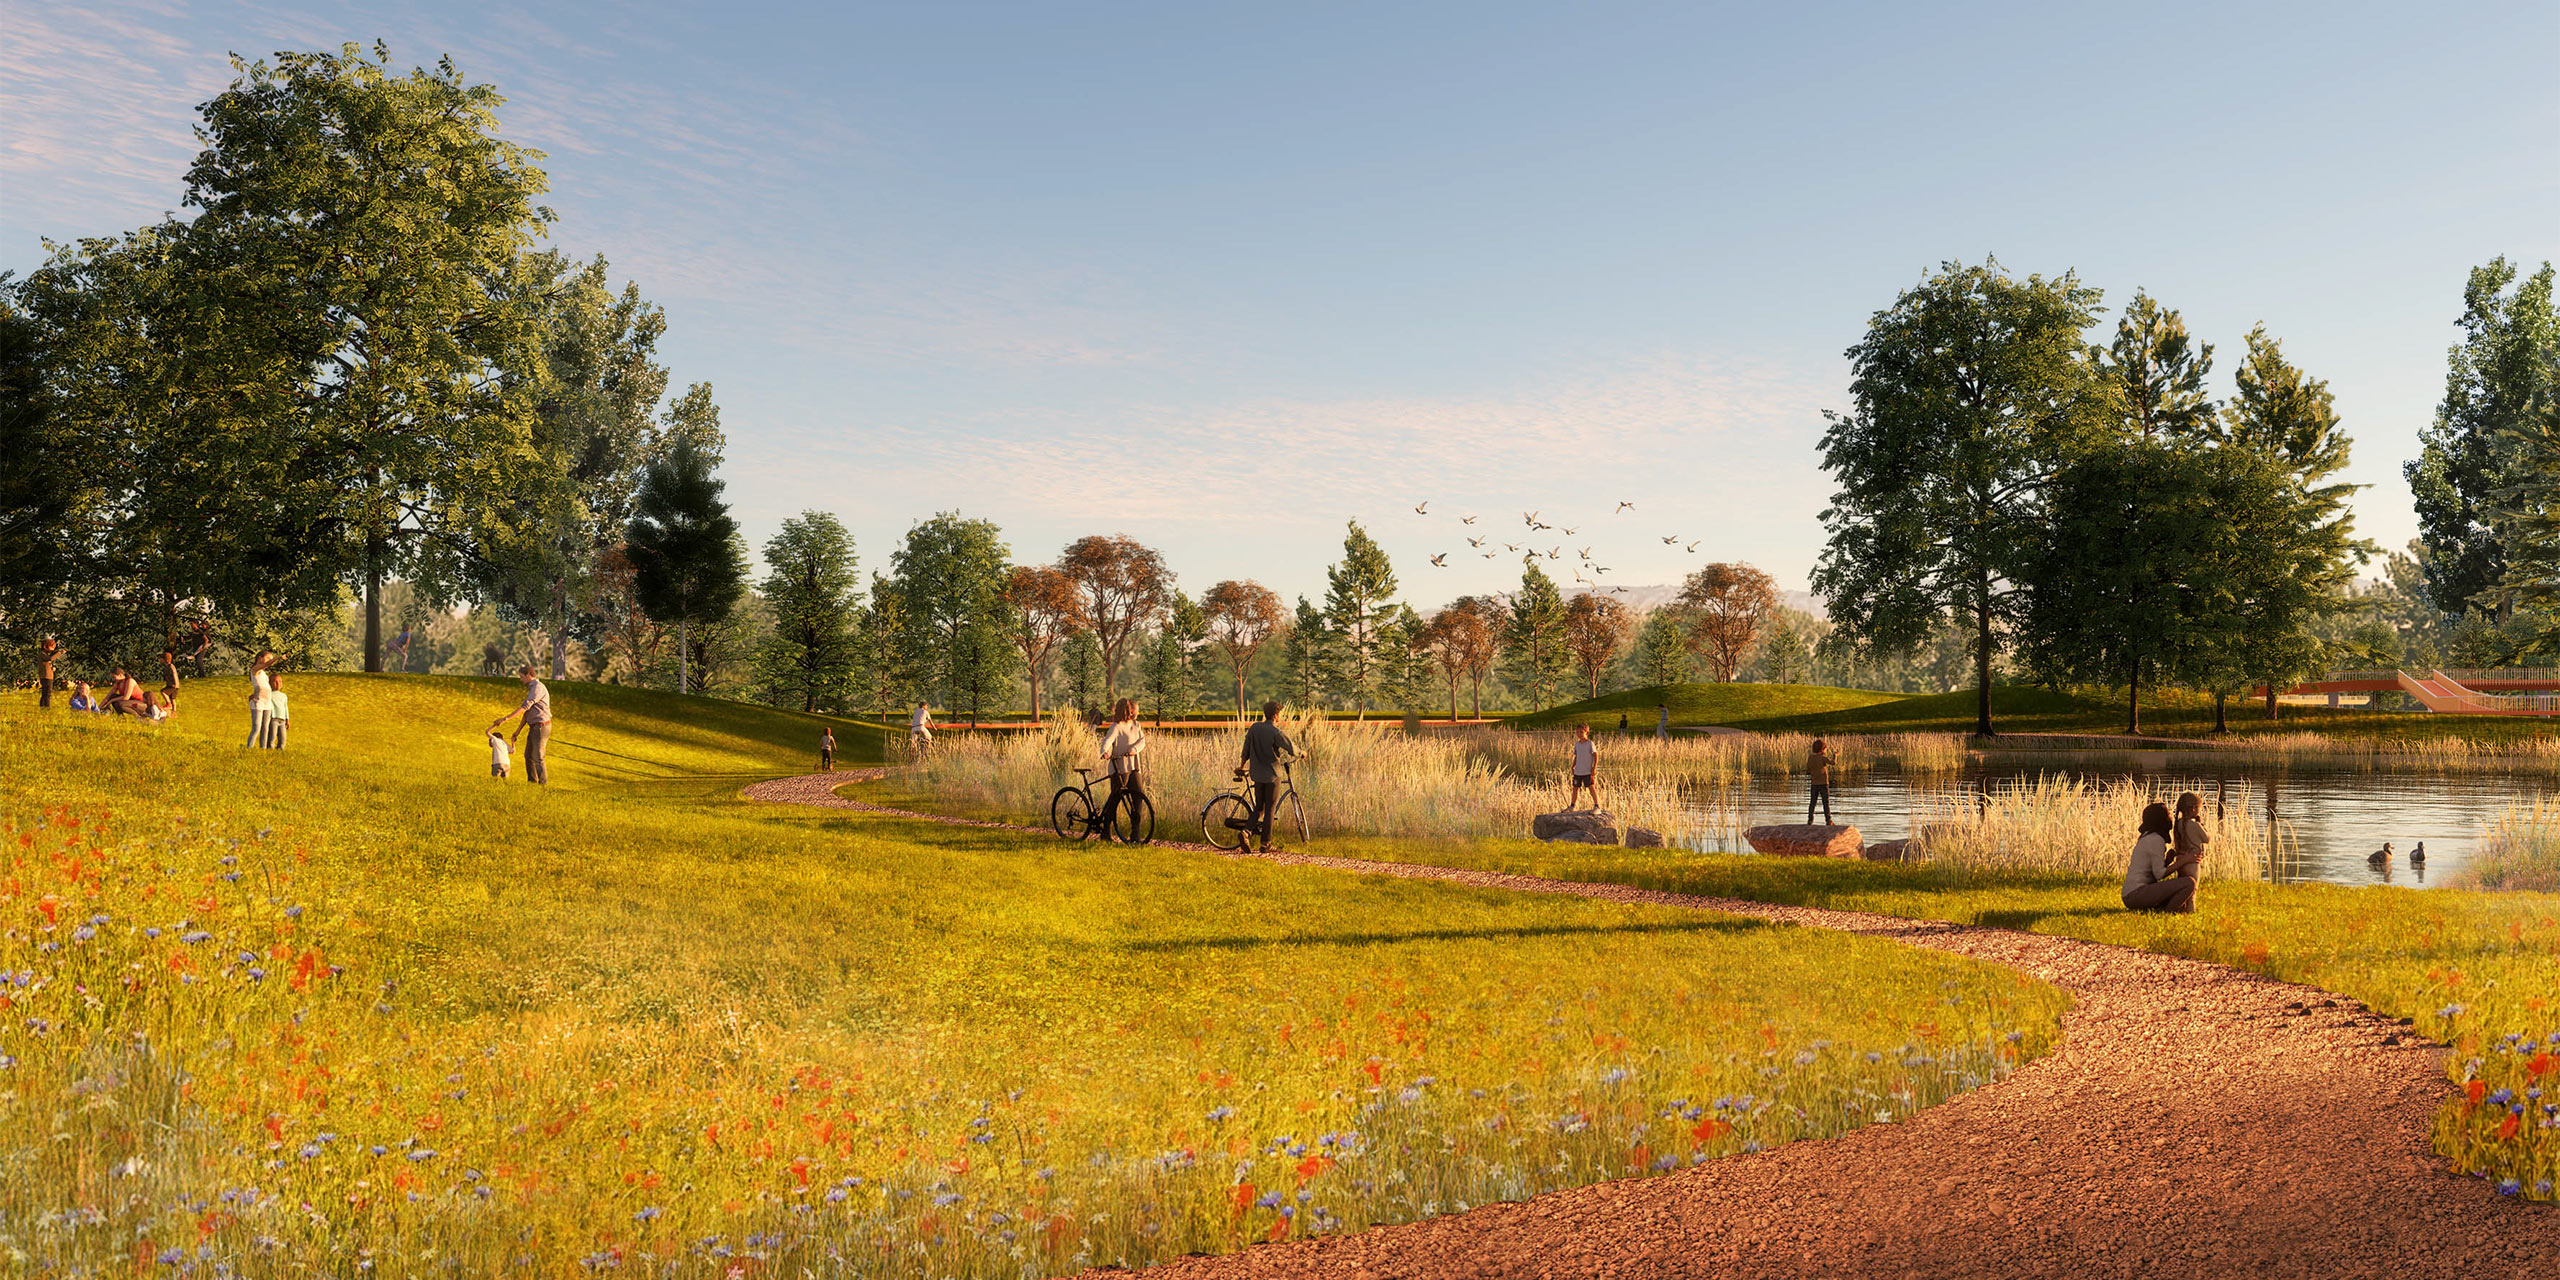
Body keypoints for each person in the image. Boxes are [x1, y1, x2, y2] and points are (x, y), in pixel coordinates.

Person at [1233, 701, 1298, 853]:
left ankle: (1246, 832)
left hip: (1257, 774)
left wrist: (1242, 766)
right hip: (1272, 775)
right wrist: (1301, 753)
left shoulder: (1255, 728)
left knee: (1258, 807)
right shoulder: (1275, 732)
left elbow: (1246, 749)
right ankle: (1265, 844)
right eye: (1279, 714)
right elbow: (1290, 747)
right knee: (1270, 809)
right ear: (1275, 715)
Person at [2122, 801, 2195, 913]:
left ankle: (2163, 909)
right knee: (2189, 883)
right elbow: (2159, 874)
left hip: (2131, 895)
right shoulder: (2156, 839)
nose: (2171, 817)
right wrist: (2185, 860)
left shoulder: (2147, 836)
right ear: (2161, 820)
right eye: (2168, 814)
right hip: (2136, 894)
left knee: (2181, 900)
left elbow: (2152, 871)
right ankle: (2167, 912)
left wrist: (2167, 861)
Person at [488, 665, 553, 784]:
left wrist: (505, 719)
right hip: (534, 726)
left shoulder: (538, 687)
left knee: (538, 756)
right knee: (528, 756)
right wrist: (517, 731)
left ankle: (543, 784)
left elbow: (525, 707)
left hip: (541, 726)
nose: (520, 679)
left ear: (528, 675)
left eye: (522, 677)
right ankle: (532, 783)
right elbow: (527, 713)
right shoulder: (532, 688)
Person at [1098, 698, 1148, 841]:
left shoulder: (1136, 725)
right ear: (1130, 711)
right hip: (1119, 768)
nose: (1138, 712)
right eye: (1136, 709)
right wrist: (1105, 752)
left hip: (1133, 766)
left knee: (1138, 798)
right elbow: (1107, 740)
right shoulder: (1117, 726)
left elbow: (1142, 741)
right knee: (1115, 798)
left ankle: (1135, 834)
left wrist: (1134, 749)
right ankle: (1105, 830)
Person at [2171, 791, 2210, 880]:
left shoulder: (2178, 824)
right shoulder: (2195, 825)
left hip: (2180, 859)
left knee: (2182, 886)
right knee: (2193, 886)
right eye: (2199, 808)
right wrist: (2200, 824)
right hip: (2193, 861)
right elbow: (2206, 839)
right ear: (2193, 808)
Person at [244, 651, 278, 747]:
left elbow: (261, 685)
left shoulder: (263, 673)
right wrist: (278, 658)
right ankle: (249, 748)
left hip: (267, 702)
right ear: (260, 657)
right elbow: (267, 664)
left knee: (265, 728)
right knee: (257, 727)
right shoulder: (255, 669)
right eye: (268, 658)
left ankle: (262, 748)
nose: (269, 661)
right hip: (258, 702)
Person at [1567, 724, 1601, 810]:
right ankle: (1572, 806)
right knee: (1575, 788)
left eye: (1581, 732)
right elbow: (1577, 756)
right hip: (1578, 771)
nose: (1579, 734)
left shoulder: (1590, 743)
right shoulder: (1577, 745)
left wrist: (1594, 767)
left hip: (1587, 771)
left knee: (1591, 787)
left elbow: (1595, 755)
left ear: (1587, 732)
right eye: (1577, 732)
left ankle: (1597, 805)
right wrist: (1573, 766)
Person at [1805, 738, 1834, 825]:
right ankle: (1828, 820)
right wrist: (1835, 756)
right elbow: (1833, 763)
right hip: (1824, 784)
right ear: (1822, 749)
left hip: (1814, 784)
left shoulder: (1810, 758)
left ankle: (1810, 820)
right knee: (1826, 803)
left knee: (1812, 803)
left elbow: (1808, 770)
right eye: (1825, 748)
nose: (1826, 750)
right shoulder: (1823, 758)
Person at [264, 673, 291, 748]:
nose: (278, 684)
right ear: (270, 683)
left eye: (280, 681)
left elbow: (285, 707)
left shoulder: (284, 696)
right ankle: (270, 749)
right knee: (272, 737)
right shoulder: (269, 694)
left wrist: (287, 719)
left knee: (283, 738)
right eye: (275, 682)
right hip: (273, 719)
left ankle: (280, 750)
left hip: (282, 720)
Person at [38, 637, 59, 708]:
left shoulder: (45, 655)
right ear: (45, 646)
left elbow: (47, 664)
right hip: (46, 676)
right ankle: (46, 706)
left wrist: (52, 669)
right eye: (52, 647)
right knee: (47, 693)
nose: (53, 649)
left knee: (46, 692)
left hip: (49, 676)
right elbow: (49, 659)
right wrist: (59, 653)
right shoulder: (42, 654)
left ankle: (43, 706)